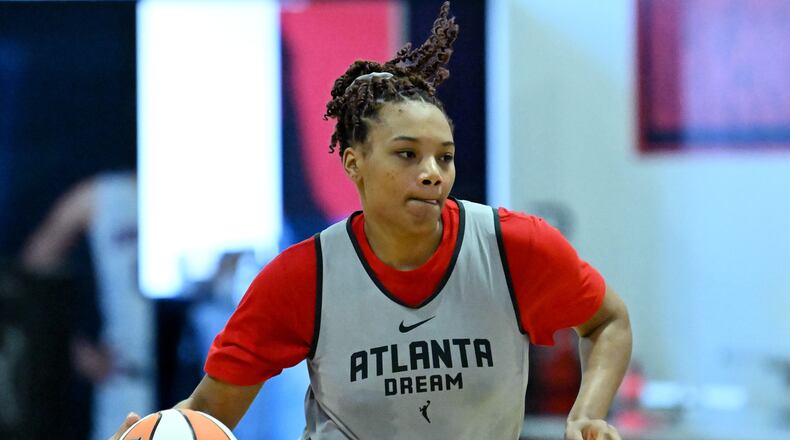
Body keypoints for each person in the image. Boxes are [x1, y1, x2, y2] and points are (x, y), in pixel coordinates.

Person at [111, 2, 631, 439]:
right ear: (353, 162)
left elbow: (608, 321)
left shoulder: (513, 246)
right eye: (407, 155)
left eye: (444, 157)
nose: (432, 173)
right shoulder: (304, 277)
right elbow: (210, 412)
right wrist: (158, 433)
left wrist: (588, 411)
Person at [22, 171, 156, 440]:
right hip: (129, 381)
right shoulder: (103, 195)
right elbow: (32, 270)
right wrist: (69, 349)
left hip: (208, 379)